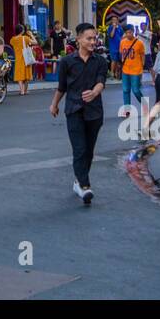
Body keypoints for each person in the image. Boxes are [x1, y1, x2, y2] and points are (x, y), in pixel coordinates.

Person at [50, 22, 108, 206]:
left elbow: (101, 82)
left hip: (95, 112)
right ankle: (85, 185)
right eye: (89, 38)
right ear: (79, 39)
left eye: (94, 38)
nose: (93, 41)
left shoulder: (101, 61)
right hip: (74, 110)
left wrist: (95, 92)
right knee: (79, 149)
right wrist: (54, 104)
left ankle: (78, 182)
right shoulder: (67, 62)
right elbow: (62, 87)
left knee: (89, 151)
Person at [118, 26, 146, 116]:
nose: (128, 34)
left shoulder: (139, 43)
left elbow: (143, 55)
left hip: (136, 70)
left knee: (136, 90)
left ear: (133, 32)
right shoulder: (122, 42)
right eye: (127, 33)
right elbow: (121, 54)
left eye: (130, 32)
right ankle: (127, 111)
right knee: (126, 90)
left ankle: (146, 107)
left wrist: (142, 67)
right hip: (125, 70)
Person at [10, 23, 37, 96]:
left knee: (19, 76)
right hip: (26, 59)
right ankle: (25, 90)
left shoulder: (12, 39)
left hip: (18, 59)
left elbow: (14, 45)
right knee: (27, 75)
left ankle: (21, 91)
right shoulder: (25, 38)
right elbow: (35, 42)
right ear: (22, 31)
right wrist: (31, 35)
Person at [106, 15, 124, 81]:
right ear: (111, 21)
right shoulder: (110, 27)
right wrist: (114, 27)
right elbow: (111, 35)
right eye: (113, 20)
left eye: (115, 20)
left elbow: (122, 37)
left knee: (118, 61)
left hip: (120, 46)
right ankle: (112, 74)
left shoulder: (120, 28)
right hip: (113, 47)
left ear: (117, 21)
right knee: (113, 60)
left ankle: (117, 74)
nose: (114, 21)